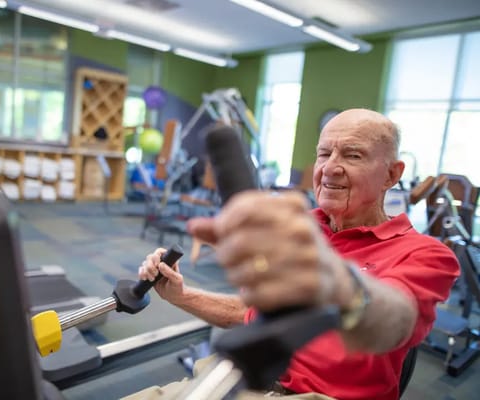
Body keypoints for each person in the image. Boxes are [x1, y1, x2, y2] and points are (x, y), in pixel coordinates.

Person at [135, 108, 460, 400]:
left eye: (353, 155)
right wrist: (181, 295)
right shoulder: (303, 229)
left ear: (391, 174)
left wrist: (331, 280)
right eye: (324, 154)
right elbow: (255, 314)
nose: (331, 168)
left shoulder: (426, 253)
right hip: (235, 378)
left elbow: (395, 322)